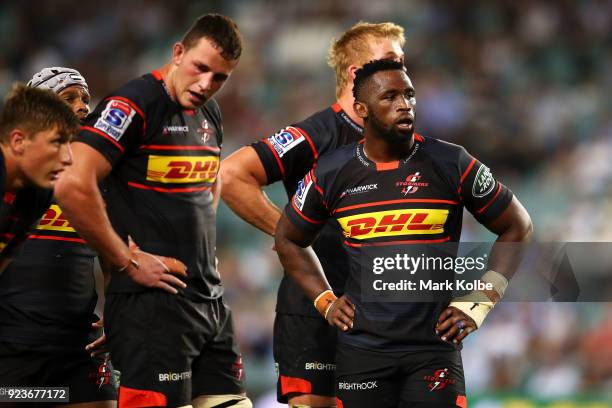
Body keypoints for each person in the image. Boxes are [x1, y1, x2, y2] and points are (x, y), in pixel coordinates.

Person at [274, 60, 533, 407]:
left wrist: (480, 302)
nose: (404, 104)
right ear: (362, 109)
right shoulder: (331, 172)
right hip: (361, 353)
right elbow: (288, 238)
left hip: (433, 350)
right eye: (390, 96)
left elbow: (517, 226)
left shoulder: (451, 162)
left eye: (409, 95)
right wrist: (325, 300)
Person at [55, 14, 251, 408]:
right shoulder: (132, 105)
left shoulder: (209, 113)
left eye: (220, 78)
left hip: (207, 299)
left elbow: (209, 181)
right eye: (200, 68)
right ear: (178, 53)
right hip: (152, 305)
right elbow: (73, 182)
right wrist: (125, 261)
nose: (206, 85)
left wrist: (202, 244)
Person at [221, 22, 405, 407]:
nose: (401, 70)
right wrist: (289, 235)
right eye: (389, 60)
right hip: (315, 308)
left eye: (401, 61)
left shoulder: (406, 143)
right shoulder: (314, 135)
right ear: (356, 73)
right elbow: (233, 175)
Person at [0, 67, 118, 408]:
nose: (83, 106)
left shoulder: (100, 177)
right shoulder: (16, 177)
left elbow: (111, 261)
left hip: (81, 345)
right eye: (69, 98)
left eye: (85, 98)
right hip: (15, 346)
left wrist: (116, 316)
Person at [0, 82, 77, 271]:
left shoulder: (38, 194)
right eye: (57, 142)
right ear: (18, 141)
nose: (68, 158)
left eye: (69, 143)